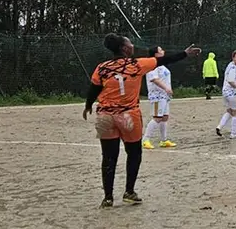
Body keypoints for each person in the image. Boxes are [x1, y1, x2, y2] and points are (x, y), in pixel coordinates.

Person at [83, 34, 200, 207]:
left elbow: (94, 88)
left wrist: (88, 105)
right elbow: (163, 60)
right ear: (124, 48)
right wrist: (185, 53)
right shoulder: (137, 64)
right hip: (128, 115)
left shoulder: (102, 68)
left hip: (105, 116)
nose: (132, 45)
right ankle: (129, 191)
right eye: (130, 43)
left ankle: (108, 198)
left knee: (108, 157)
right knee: (134, 153)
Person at [143, 46, 175, 149]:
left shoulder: (161, 65)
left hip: (164, 95)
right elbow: (154, 79)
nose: (163, 51)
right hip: (157, 96)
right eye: (161, 50)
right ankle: (145, 139)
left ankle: (164, 140)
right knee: (157, 117)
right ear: (156, 54)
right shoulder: (152, 65)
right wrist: (166, 88)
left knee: (165, 117)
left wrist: (168, 90)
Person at [216, 50, 236, 139]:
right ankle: (233, 133)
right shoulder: (233, 68)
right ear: (233, 58)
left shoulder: (231, 66)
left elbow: (231, 78)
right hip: (232, 93)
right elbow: (231, 81)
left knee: (230, 111)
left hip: (226, 92)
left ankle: (219, 127)